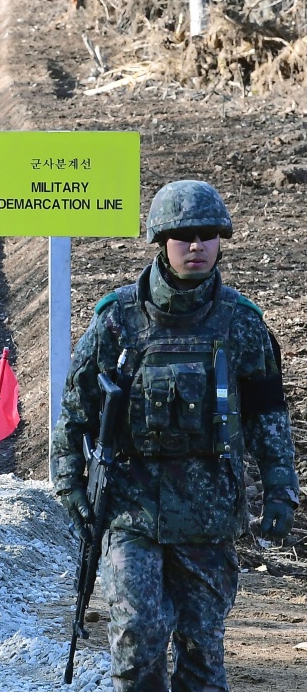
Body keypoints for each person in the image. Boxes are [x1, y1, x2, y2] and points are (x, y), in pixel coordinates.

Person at [52, 180, 299, 692]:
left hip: (209, 516)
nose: (196, 246)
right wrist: (70, 484)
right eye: (184, 235)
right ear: (161, 241)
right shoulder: (117, 320)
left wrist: (280, 489)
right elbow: (75, 411)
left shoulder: (243, 324)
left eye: (208, 235)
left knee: (202, 651)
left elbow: (268, 417)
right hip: (131, 508)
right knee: (138, 639)